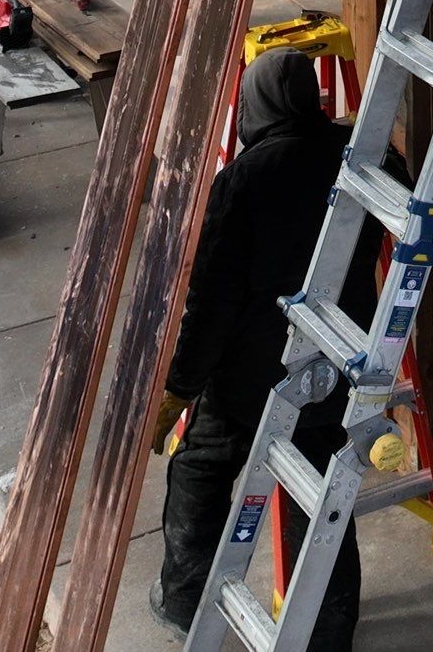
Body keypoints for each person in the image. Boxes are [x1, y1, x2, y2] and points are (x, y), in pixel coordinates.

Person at [150, 51, 375, 646]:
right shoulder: (363, 159)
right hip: (334, 365)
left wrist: (180, 387)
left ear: (255, 105)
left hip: (253, 378)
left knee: (200, 467)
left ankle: (184, 603)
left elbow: (212, 305)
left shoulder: (245, 178)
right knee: (322, 493)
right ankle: (328, 634)